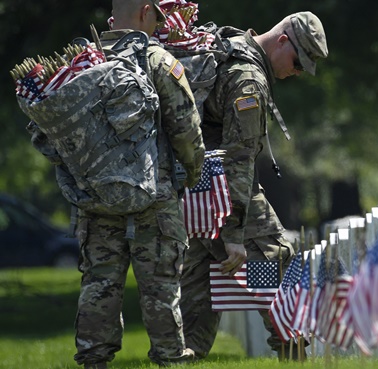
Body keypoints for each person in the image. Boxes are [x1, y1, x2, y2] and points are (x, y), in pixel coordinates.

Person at [36, 1, 205, 368]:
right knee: (161, 289)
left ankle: (94, 358)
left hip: (95, 202)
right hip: (154, 202)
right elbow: (186, 131)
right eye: (158, 16)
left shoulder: (80, 63)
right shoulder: (159, 61)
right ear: (146, 11)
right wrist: (188, 177)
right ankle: (170, 358)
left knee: (99, 285)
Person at [179, 11, 329, 360]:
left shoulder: (230, 46)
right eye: (296, 62)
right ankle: (291, 350)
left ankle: (183, 352)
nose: (296, 72)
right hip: (222, 192)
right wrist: (234, 232)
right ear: (282, 40)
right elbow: (239, 159)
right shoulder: (249, 79)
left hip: (195, 191)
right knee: (273, 261)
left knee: (200, 275)